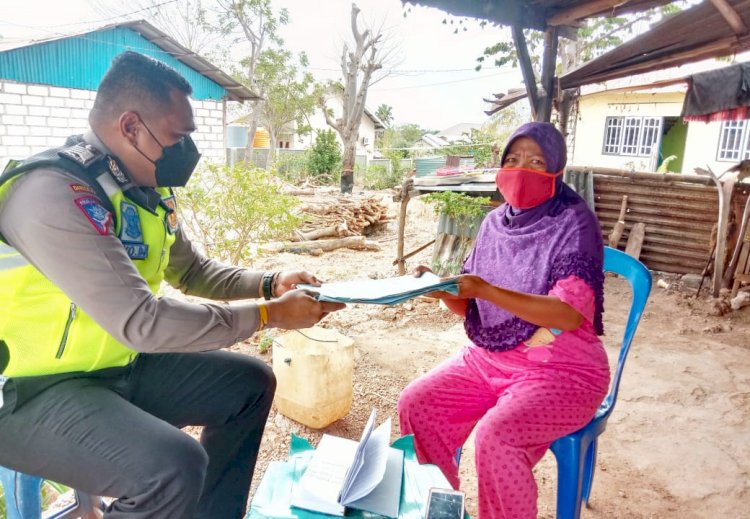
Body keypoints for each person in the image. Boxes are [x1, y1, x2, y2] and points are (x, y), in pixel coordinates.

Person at [0, 51, 344, 518]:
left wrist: (270, 283)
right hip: (28, 393)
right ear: (130, 127)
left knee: (249, 383)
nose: (187, 151)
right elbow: (142, 321)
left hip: (111, 369)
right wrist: (270, 315)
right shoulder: (52, 194)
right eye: (177, 136)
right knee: (171, 466)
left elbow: (194, 272)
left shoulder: (144, 191)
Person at [398, 122, 609, 519]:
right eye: (512, 159)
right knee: (417, 404)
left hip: (563, 368)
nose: (521, 169)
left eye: (536, 161)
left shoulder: (575, 222)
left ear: (557, 170)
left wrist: (486, 291)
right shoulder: (495, 223)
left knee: (498, 436)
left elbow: (566, 313)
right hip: (490, 358)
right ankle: (439, 507)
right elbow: (473, 308)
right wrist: (441, 291)